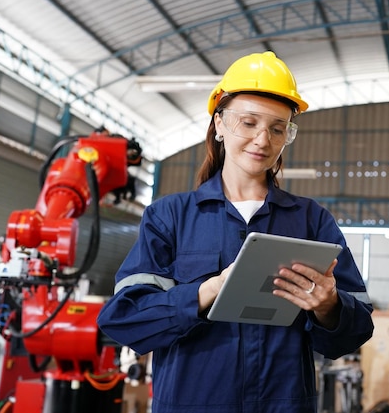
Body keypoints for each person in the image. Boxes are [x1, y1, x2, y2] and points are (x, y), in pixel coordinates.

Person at [97, 51, 374, 413]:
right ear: (219, 124)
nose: (263, 140)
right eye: (248, 123)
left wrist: (329, 307)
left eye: (278, 129)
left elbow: (357, 330)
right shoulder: (169, 217)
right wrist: (207, 290)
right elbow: (124, 319)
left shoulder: (312, 221)